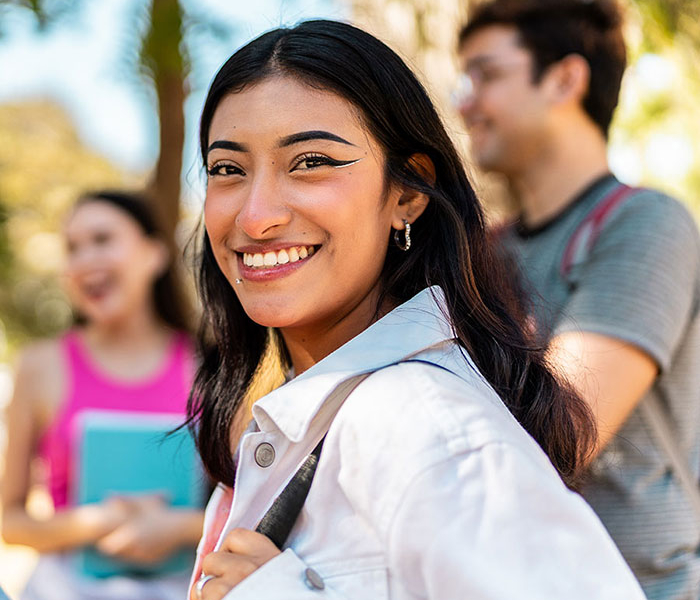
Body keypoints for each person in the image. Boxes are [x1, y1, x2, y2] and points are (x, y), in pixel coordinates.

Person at [183, 19, 647, 600]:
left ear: (407, 193)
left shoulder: (417, 418)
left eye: (311, 162)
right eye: (228, 170)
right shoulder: (324, 412)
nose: (255, 216)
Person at [456, 1, 700, 598]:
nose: (465, 101)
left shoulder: (644, 223)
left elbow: (561, 433)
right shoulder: (482, 251)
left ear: (566, 78)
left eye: (486, 75)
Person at [1, 191, 204, 599]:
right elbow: (9, 520)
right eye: (72, 248)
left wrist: (176, 528)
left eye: (102, 240)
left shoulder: (206, 367)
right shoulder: (40, 366)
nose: (83, 261)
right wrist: (94, 523)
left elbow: (245, 510)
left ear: (154, 254)